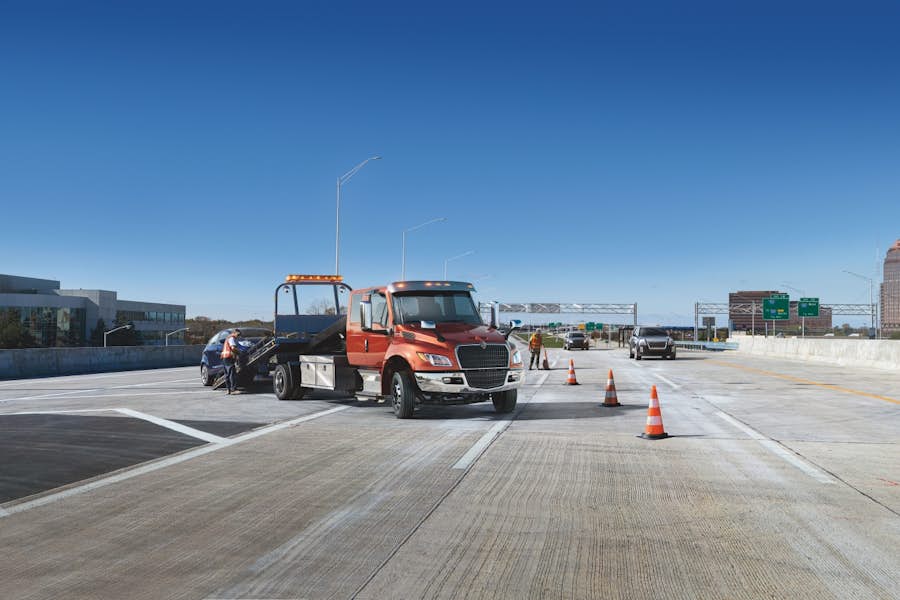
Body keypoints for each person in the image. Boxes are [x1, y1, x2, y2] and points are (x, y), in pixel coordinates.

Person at [220, 328, 242, 394]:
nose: (238, 336)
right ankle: (233, 389)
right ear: (234, 333)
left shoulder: (228, 338)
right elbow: (233, 348)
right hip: (228, 357)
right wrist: (239, 352)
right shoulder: (231, 338)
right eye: (238, 334)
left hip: (224, 358)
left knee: (227, 374)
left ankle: (228, 390)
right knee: (232, 374)